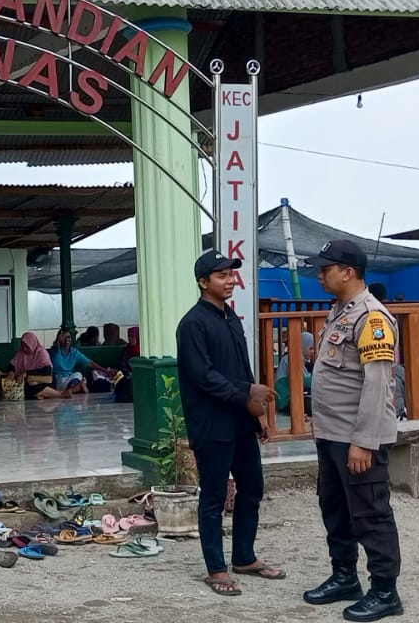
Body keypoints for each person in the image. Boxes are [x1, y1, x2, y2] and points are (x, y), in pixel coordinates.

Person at [304, 239, 404, 621]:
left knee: (371, 512)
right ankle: (344, 575)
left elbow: (378, 386)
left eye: (326, 268)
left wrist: (364, 441)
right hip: (332, 435)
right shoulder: (339, 310)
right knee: (336, 508)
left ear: (348, 272)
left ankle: (385, 590)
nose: (319, 274)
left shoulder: (372, 318)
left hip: (357, 438)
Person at [176, 250, 282, 597]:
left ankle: (244, 557)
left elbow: (242, 368)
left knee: (252, 488)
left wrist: (257, 413)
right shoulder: (193, 324)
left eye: (232, 275)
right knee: (214, 497)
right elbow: (203, 377)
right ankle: (216, 569)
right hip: (211, 424)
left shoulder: (230, 318)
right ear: (204, 282)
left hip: (239, 421)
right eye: (222, 276)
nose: (230, 281)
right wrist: (246, 391)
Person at [50, 328, 117, 395]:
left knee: (78, 374)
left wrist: (106, 371)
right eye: (64, 337)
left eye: (69, 337)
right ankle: (78, 387)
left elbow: (90, 363)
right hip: (57, 380)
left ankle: (73, 388)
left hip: (69, 381)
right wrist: (58, 341)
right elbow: (56, 347)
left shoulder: (74, 352)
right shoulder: (55, 350)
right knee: (78, 383)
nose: (67, 339)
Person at [9, 332, 63, 400]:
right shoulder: (21, 353)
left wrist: (27, 373)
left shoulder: (42, 353)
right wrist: (11, 373)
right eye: (23, 346)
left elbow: (47, 375)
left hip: (46, 382)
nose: (24, 348)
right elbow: (12, 365)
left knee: (31, 385)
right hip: (28, 383)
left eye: (27, 346)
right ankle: (42, 395)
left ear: (32, 344)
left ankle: (60, 394)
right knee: (22, 389)